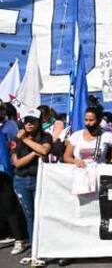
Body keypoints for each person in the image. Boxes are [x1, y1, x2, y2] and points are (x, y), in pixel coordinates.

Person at [11, 110, 51, 263]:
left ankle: (44, 247)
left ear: (38, 122)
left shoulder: (45, 136)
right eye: (26, 121)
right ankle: (35, 248)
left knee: (42, 214)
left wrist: (27, 140)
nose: (28, 124)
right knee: (29, 215)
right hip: (21, 180)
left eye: (32, 121)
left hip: (38, 179)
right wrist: (34, 154)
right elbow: (17, 163)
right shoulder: (16, 139)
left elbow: (44, 150)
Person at [0, 104, 27, 258]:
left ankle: (19, 239)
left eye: (2, 109)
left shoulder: (10, 126)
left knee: (10, 206)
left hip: (6, 172)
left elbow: (15, 146)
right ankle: (4, 233)